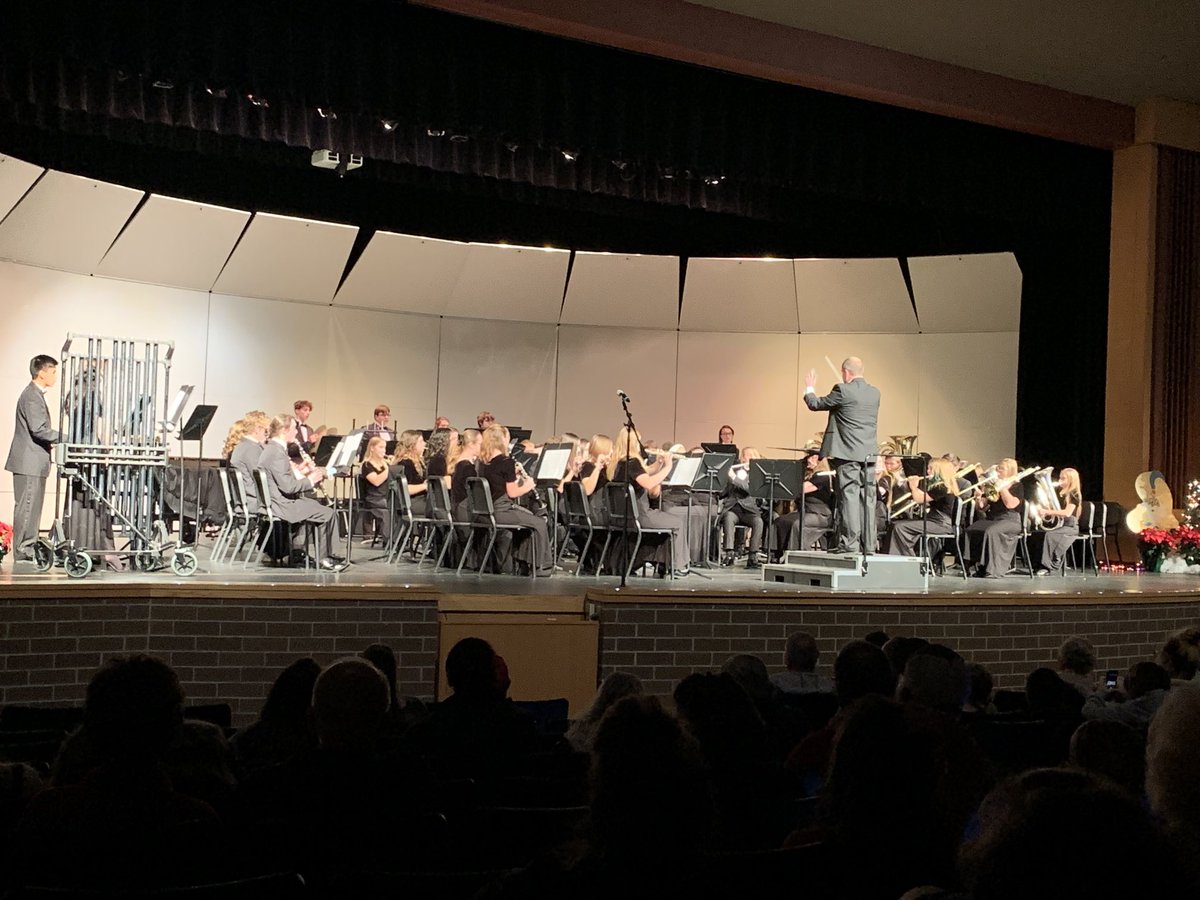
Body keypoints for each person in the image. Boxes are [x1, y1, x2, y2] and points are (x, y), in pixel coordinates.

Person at [803, 357, 881, 554]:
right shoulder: (875, 393)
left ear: (846, 372)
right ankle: (869, 545)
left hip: (847, 454)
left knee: (849, 498)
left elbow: (816, 404)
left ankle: (850, 544)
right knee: (868, 499)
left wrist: (809, 388)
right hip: (869, 454)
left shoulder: (842, 390)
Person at [259, 414, 346, 571]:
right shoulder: (277, 452)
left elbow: (282, 478)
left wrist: (302, 471)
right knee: (328, 514)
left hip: (278, 502)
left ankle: (300, 552)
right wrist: (311, 480)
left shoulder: (271, 449)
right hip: (282, 505)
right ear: (284, 430)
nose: (296, 433)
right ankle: (326, 558)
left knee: (313, 505)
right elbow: (288, 487)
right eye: (294, 429)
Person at [608, 426, 689, 575]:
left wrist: (658, 463)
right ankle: (677, 567)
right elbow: (649, 483)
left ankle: (665, 565)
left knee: (667, 520)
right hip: (639, 515)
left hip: (624, 515)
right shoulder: (632, 462)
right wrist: (668, 467)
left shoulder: (618, 463)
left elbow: (644, 472)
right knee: (678, 522)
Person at [5, 354, 60, 561]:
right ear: (42, 372)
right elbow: (39, 429)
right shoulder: (31, 396)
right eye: (53, 372)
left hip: (34, 462)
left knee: (32, 507)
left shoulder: (35, 395)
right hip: (28, 462)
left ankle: (28, 546)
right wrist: (64, 436)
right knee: (27, 507)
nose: (55, 376)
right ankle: (23, 549)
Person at [480, 424, 552, 575]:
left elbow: (501, 485)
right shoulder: (506, 462)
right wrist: (529, 484)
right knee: (539, 522)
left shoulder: (484, 463)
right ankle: (541, 567)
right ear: (502, 440)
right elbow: (513, 493)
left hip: (489, 509)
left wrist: (516, 477)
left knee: (528, 520)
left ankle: (524, 564)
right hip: (501, 510)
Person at [887, 457, 967, 557]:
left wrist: (913, 487)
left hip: (940, 523)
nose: (927, 472)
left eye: (930, 469)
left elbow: (920, 499)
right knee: (897, 524)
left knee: (900, 527)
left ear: (939, 471)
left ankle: (908, 559)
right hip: (936, 521)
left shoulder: (941, 487)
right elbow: (924, 495)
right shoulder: (943, 486)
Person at [965, 457, 1026, 578]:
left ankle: (992, 569)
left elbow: (1011, 504)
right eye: (998, 468)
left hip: (1011, 520)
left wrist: (1002, 487)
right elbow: (982, 507)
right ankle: (972, 565)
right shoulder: (993, 486)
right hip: (994, 518)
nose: (998, 471)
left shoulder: (1017, 486)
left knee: (991, 531)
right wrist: (978, 498)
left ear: (1010, 471)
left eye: (1001, 469)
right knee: (973, 529)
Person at [772, 453, 834, 555]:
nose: (808, 460)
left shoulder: (823, 476)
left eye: (812, 457)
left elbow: (802, 488)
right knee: (780, 521)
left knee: (797, 524)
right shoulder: (808, 475)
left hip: (819, 514)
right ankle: (776, 554)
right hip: (805, 511)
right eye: (808, 457)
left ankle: (796, 554)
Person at [1029, 467, 1083, 574]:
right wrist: (1045, 509)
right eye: (1060, 478)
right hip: (1061, 524)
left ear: (1071, 480)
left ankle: (1048, 566)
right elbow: (1056, 511)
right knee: (1038, 534)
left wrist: (1048, 512)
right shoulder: (1059, 493)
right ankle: (1037, 564)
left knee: (1050, 536)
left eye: (1063, 479)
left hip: (1070, 526)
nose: (1059, 481)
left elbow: (1067, 513)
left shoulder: (1074, 494)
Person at [717, 446, 764, 568]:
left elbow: (750, 489)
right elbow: (725, 491)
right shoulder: (735, 471)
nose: (746, 458)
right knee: (728, 518)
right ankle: (729, 553)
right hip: (733, 508)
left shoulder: (758, 474)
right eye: (744, 455)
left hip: (750, 510)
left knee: (758, 522)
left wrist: (734, 478)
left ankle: (753, 556)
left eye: (750, 455)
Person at [224, 411, 270, 513]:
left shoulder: (241, 446)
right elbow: (263, 478)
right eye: (266, 431)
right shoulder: (252, 449)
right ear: (257, 429)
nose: (267, 435)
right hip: (255, 501)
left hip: (244, 499)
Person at [360, 436, 391, 546]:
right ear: (372, 448)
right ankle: (389, 540)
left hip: (385, 495)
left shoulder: (386, 463)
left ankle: (399, 539)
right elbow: (376, 481)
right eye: (381, 447)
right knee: (390, 507)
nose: (384, 450)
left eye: (385, 448)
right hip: (374, 497)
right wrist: (389, 469)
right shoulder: (367, 465)